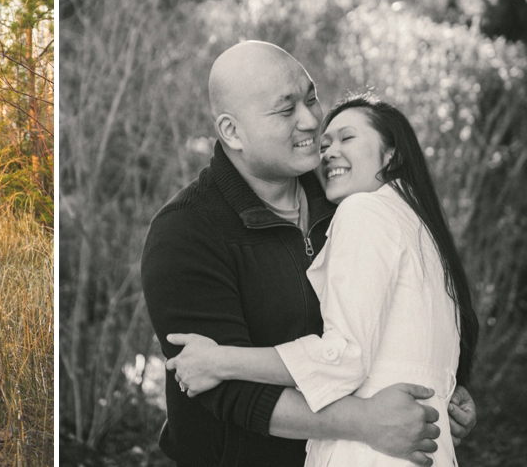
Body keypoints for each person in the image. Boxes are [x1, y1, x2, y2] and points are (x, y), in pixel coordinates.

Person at [140, 41, 476, 467]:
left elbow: (407, 311)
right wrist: (365, 421)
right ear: (232, 132)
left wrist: (440, 390)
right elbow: (221, 387)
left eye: (311, 97)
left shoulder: (350, 199)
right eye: (286, 110)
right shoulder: (186, 231)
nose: (311, 120)